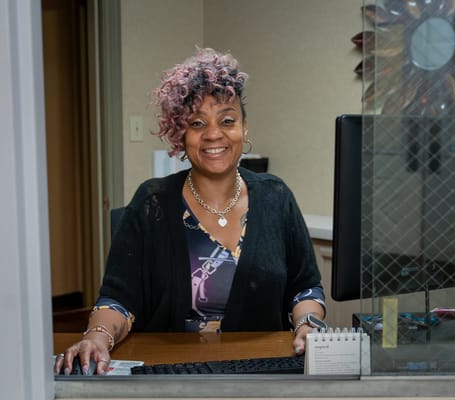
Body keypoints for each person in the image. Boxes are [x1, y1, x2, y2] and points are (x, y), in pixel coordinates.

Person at [54, 48, 326, 375]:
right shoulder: (151, 202)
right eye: (197, 123)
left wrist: (308, 324)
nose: (214, 134)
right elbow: (118, 298)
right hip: (170, 373)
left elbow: (304, 287)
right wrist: (96, 338)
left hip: (260, 372)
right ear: (180, 134)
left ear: (244, 128)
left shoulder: (276, 196)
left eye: (227, 120)